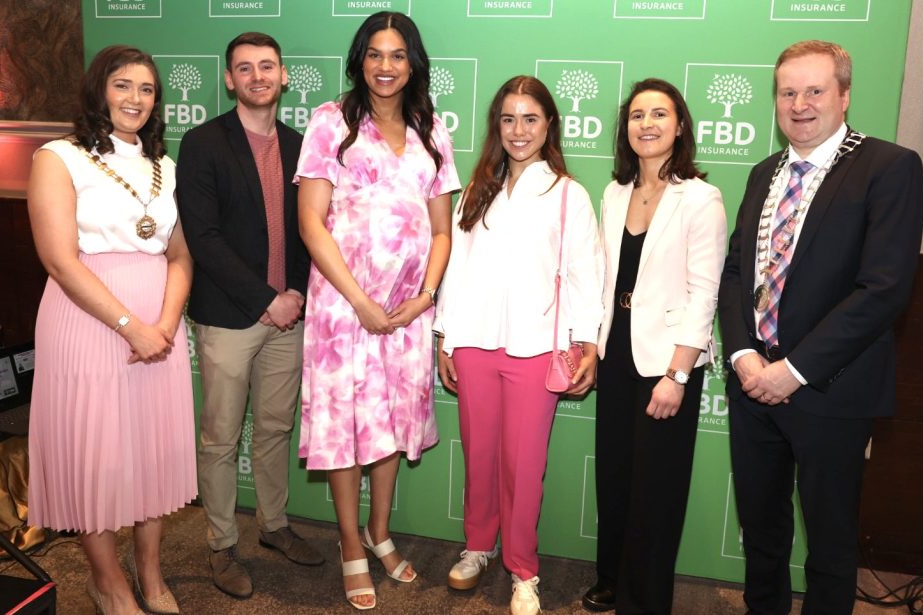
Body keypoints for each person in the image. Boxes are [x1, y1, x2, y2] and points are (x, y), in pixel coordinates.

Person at [718, 40, 923, 614]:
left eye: (815, 91)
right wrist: (742, 357)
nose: (800, 104)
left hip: (832, 390)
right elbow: (736, 272)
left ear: (844, 95)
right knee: (761, 533)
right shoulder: (764, 173)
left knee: (830, 545)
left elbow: (884, 289)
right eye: (788, 92)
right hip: (753, 384)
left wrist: (796, 371)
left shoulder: (889, 166)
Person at [295, 11, 460, 611]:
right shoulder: (330, 122)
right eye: (374, 54)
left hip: (408, 312)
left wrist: (425, 296)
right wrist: (361, 302)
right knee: (345, 429)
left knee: (390, 423)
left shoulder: (432, 130)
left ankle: (380, 531)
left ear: (412, 62)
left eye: (397, 55)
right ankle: (350, 544)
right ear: (359, 59)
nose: (385, 66)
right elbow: (311, 223)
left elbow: (442, 230)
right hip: (344, 311)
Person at [26, 45, 195, 615]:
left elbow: (180, 256)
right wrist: (130, 326)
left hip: (159, 324)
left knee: (151, 454)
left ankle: (150, 575)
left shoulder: (165, 167)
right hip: (88, 319)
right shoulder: (58, 157)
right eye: (123, 86)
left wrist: (165, 325)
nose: (135, 99)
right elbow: (58, 259)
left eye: (147, 90)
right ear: (99, 90)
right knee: (94, 455)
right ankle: (108, 582)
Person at [435, 75, 604, 615]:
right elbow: (455, 270)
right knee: (479, 455)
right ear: (496, 126)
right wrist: (445, 336)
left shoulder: (568, 194)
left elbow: (585, 275)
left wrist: (587, 344)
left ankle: (523, 570)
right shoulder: (477, 189)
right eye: (508, 119)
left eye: (530, 118)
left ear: (549, 124)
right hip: (475, 343)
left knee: (523, 465)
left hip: (536, 348)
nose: (518, 130)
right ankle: (479, 547)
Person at [175, 32, 323, 599]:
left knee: (275, 427)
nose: (257, 75)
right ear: (230, 80)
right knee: (219, 438)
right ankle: (220, 544)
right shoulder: (202, 143)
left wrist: (296, 296)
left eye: (267, 66)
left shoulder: (301, 145)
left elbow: (314, 230)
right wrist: (268, 299)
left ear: (284, 76)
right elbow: (204, 239)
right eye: (245, 68)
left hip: (291, 315)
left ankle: (274, 526)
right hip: (232, 316)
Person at [583, 78, 727, 614]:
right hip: (616, 351)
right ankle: (611, 579)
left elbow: (705, 292)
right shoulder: (614, 192)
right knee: (615, 475)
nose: (647, 124)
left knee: (656, 489)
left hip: (667, 361)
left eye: (659, 114)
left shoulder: (700, 197)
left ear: (680, 125)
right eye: (637, 115)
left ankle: (645, 600)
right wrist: (591, 346)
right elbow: (604, 278)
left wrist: (678, 375)